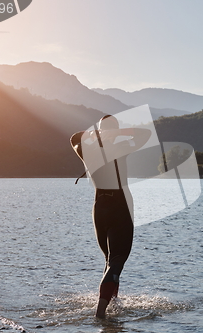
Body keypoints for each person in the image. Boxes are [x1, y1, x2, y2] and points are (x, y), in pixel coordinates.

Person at [70, 115, 151, 318]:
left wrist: (96, 134)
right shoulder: (119, 147)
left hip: (99, 208)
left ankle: (112, 303)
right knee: (117, 259)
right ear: (114, 131)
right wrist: (118, 134)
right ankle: (100, 312)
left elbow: (74, 138)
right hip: (120, 206)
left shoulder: (85, 150)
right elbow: (145, 134)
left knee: (109, 260)